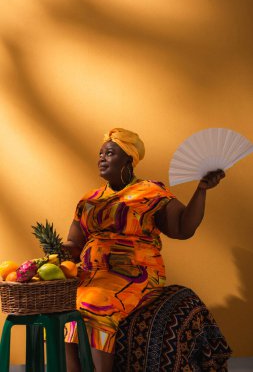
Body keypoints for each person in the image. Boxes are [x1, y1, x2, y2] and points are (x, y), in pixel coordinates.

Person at [63, 128, 228, 372]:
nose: (102, 158)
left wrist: (201, 190)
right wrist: (60, 252)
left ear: (129, 160)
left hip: (135, 272)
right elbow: (74, 245)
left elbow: (183, 228)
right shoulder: (90, 200)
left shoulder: (150, 192)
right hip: (91, 274)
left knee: (96, 302)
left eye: (109, 153)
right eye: (100, 153)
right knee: (63, 306)